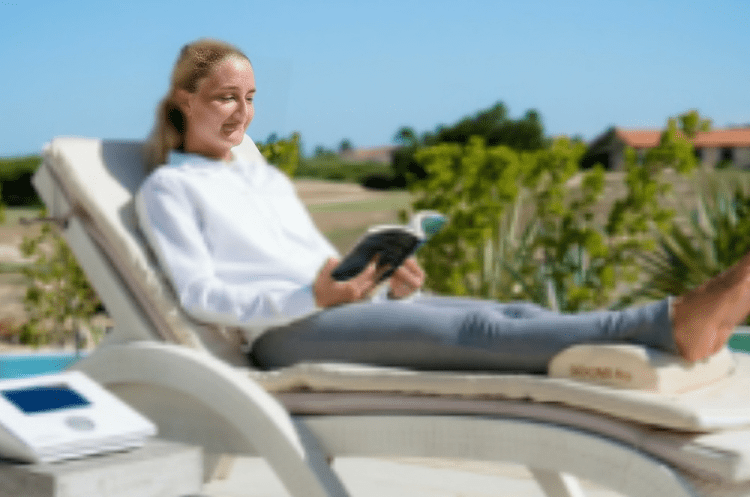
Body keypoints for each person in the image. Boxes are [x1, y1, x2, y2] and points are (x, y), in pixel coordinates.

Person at [136, 39, 750, 373]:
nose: (241, 113)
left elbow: (313, 262)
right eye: (223, 98)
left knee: (511, 310)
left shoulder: (259, 176)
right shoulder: (170, 189)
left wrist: (378, 278)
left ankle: (674, 324)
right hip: (283, 335)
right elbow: (200, 295)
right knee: (477, 330)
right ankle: (672, 323)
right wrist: (310, 298)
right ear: (185, 101)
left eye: (249, 97)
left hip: (335, 312)